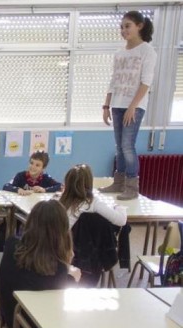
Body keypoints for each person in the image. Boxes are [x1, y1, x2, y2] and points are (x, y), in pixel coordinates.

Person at [0, 200, 80, 328]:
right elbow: (60, 307)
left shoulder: (11, 246)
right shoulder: (57, 270)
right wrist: (72, 277)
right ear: (62, 232)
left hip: (10, 324)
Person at [101, 11, 157, 200]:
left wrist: (133, 106)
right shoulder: (119, 53)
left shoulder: (147, 51)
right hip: (117, 104)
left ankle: (132, 187)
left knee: (127, 145)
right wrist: (106, 105)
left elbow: (146, 82)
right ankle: (118, 183)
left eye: (127, 26)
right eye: (122, 27)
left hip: (134, 106)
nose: (123, 30)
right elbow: (114, 80)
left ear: (139, 26)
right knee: (119, 146)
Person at [59, 164, 127, 229]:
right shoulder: (92, 203)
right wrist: (119, 207)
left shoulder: (60, 202)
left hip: (64, 240)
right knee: (124, 227)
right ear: (89, 182)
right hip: (82, 239)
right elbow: (121, 221)